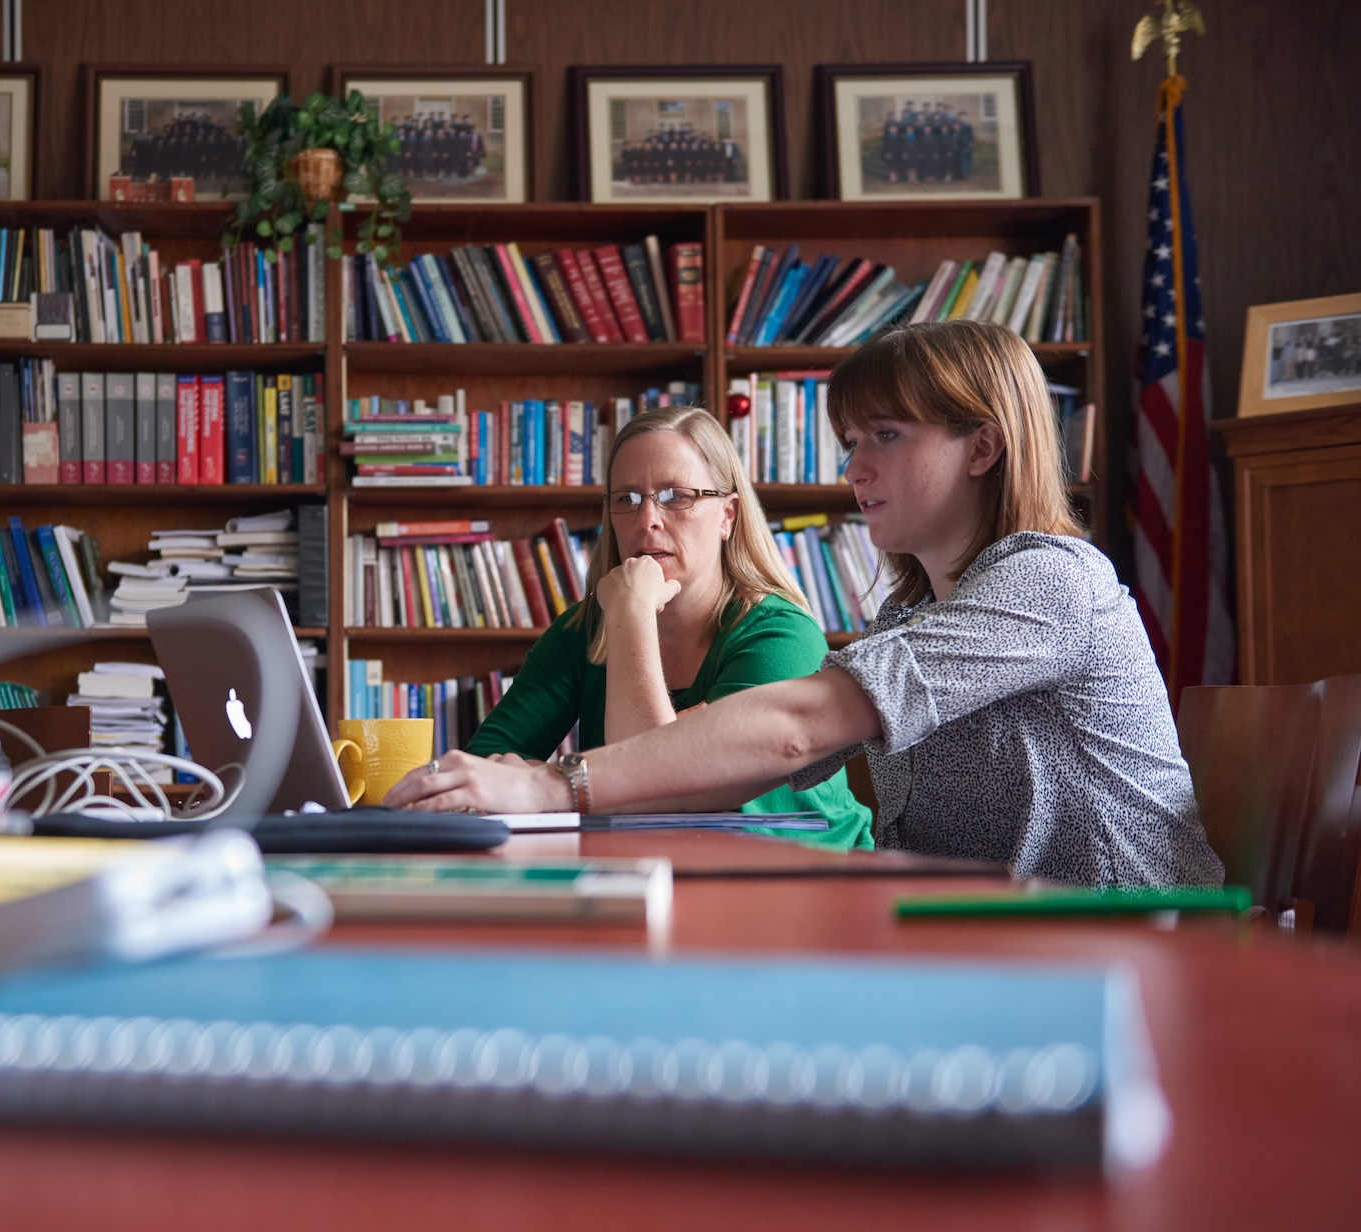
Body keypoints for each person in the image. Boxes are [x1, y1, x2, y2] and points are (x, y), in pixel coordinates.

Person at [388, 320, 1225, 887]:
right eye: (850, 443)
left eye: (885, 436)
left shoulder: (1052, 581)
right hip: (997, 951)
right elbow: (732, 766)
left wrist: (548, 787)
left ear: (984, 446)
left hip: (1127, 950)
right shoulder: (910, 620)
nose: (854, 469)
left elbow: (796, 726)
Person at [458, 406, 874, 849]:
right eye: (627, 500)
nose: (647, 520)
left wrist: (633, 611)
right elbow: (481, 772)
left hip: (803, 885)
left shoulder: (780, 635)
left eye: (677, 495)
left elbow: (656, 789)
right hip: (647, 872)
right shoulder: (582, 632)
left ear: (727, 516)